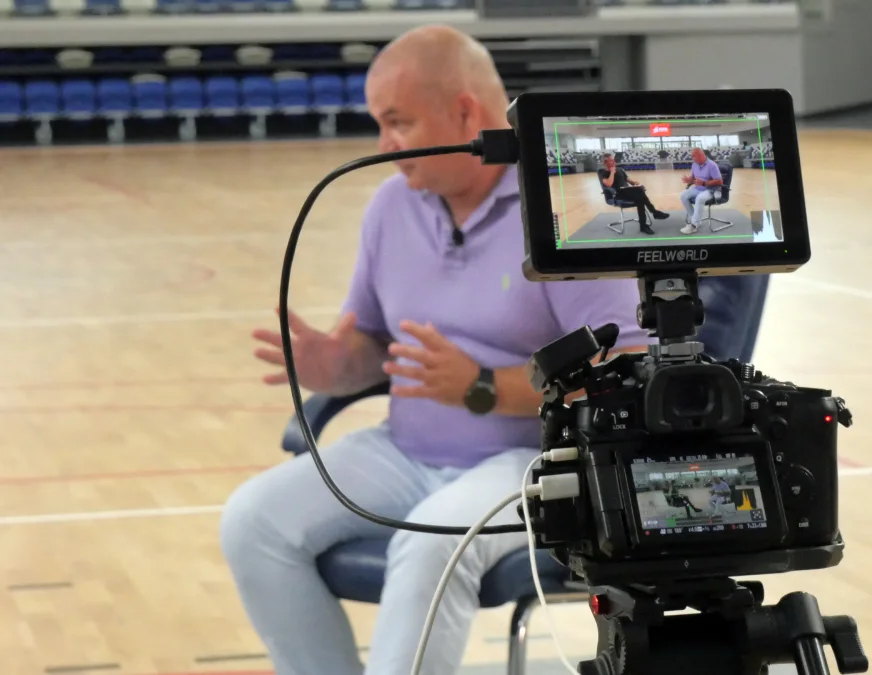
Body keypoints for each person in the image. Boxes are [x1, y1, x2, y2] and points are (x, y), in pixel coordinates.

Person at [219, 25, 649, 675]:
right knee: (252, 520)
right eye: (379, 124)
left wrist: (483, 386)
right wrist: (333, 365)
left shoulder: (567, 207)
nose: (384, 145)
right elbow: (370, 341)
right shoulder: (392, 204)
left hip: (529, 464)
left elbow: (621, 375)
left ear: (466, 116)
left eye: (398, 122)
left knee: (428, 549)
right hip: (404, 448)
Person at [597, 153, 669, 235]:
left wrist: (635, 183)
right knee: (639, 193)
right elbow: (608, 184)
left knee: (639, 196)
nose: (614, 162)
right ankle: (653, 213)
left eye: (613, 160)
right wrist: (612, 172)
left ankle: (644, 225)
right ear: (605, 162)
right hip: (616, 195)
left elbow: (630, 181)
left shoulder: (620, 170)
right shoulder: (602, 172)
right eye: (611, 161)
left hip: (628, 192)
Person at [679, 147, 724, 235]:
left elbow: (720, 181)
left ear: (701, 155)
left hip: (711, 190)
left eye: (694, 156)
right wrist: (689, 180)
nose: (693, 159)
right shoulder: (694, 165)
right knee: (683, 195)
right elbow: (693, 178)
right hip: (698, 189)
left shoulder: (712, 165)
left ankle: (693, 226)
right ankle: (695, 220)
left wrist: (704, 183)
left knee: (700, 198)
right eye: (692, 156)